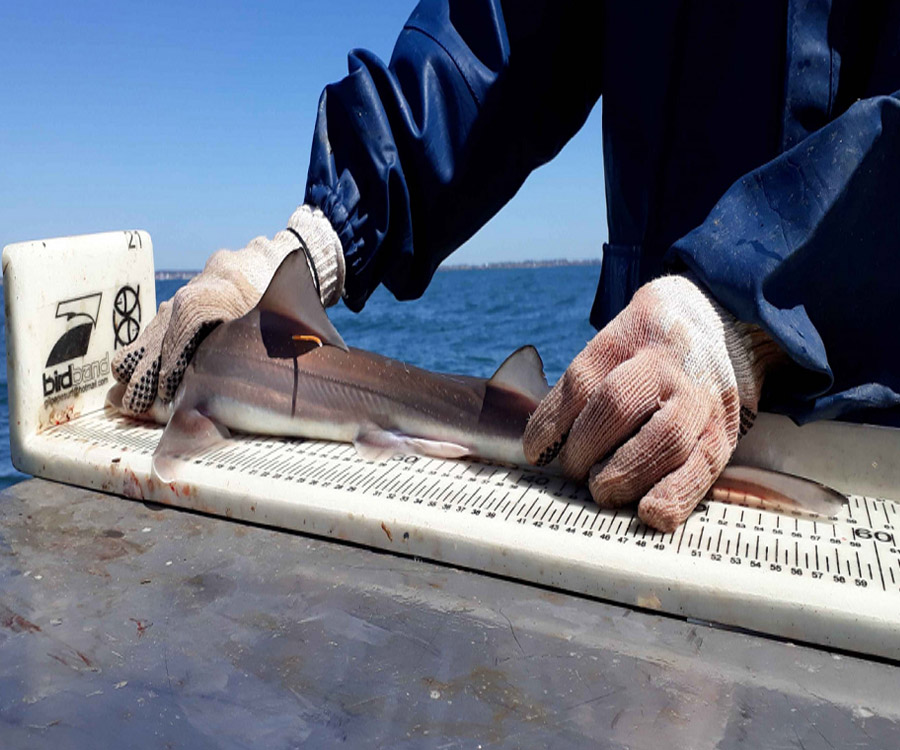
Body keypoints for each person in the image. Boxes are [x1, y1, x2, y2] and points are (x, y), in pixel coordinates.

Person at [112, 1, 900, 532]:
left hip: (867, 418)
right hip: (633, 401)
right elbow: (490, 49)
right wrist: (321, 236)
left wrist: (755, 300)